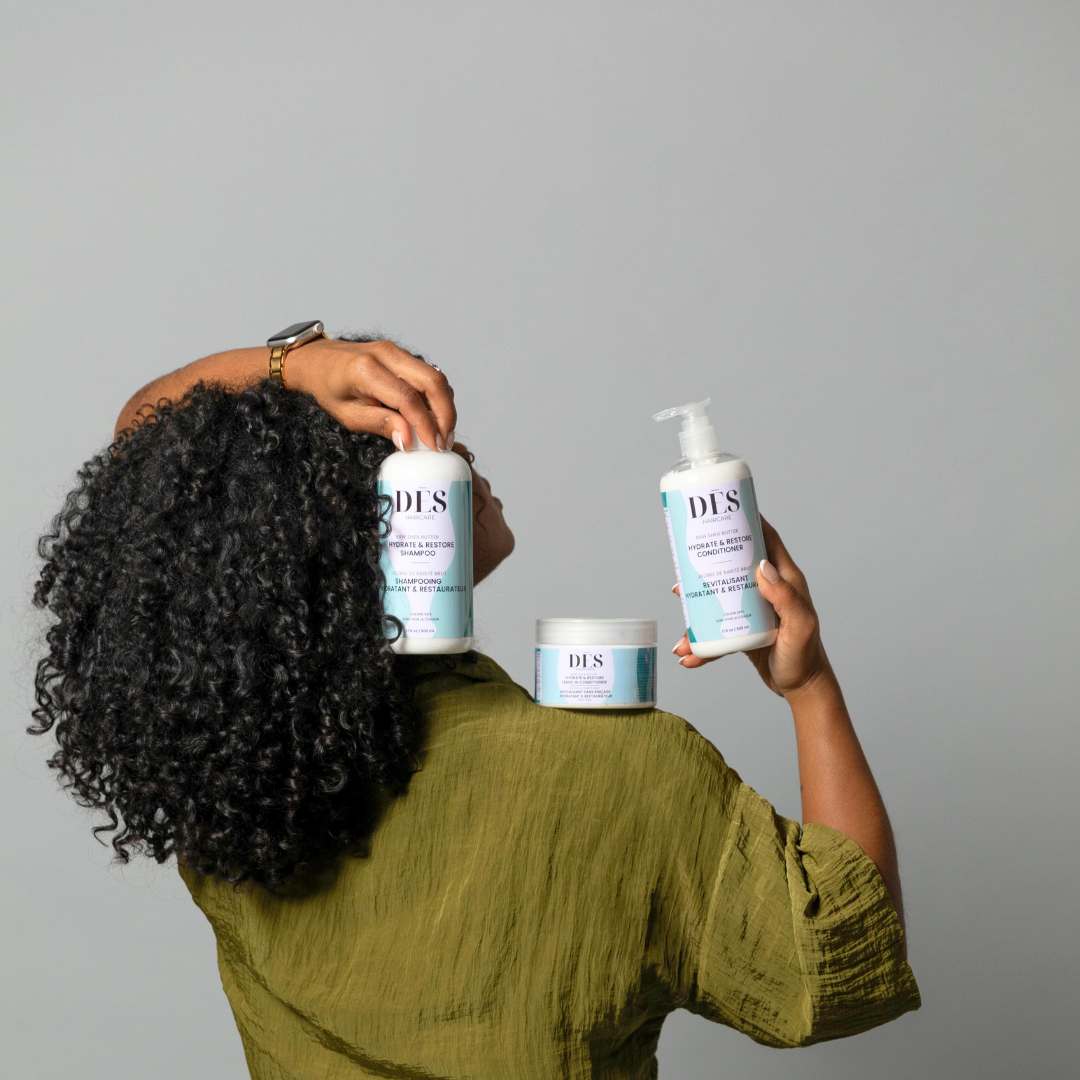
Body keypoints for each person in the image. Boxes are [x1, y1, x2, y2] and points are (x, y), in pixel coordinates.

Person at [30, 332, 920, 1078]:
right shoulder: (620, 777)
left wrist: (294, 368)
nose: (459, 452)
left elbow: (151, 453)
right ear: (371, 532)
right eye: (414, 448)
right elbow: (843, 959)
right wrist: (810, 690)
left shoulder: (234, 790)